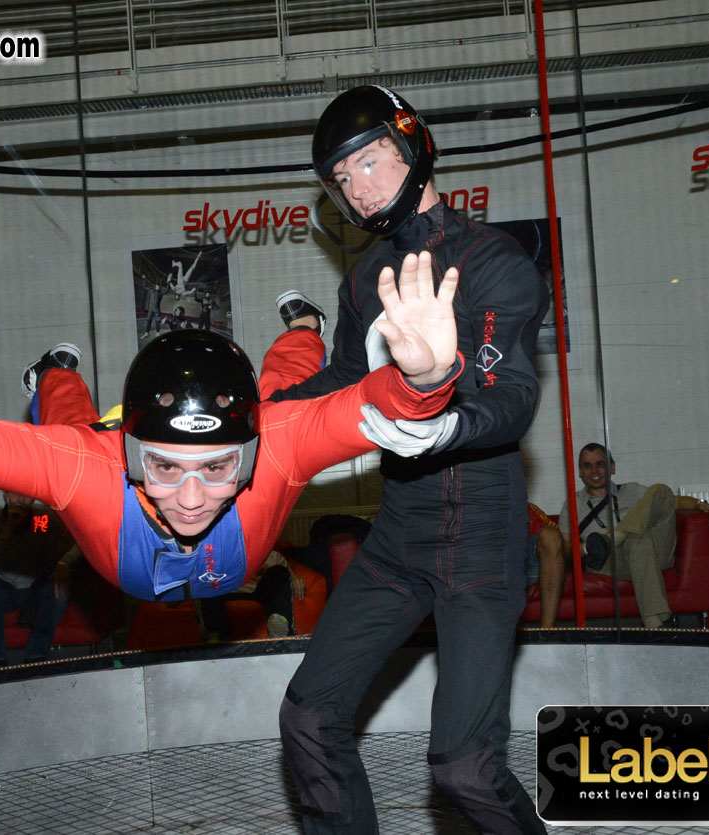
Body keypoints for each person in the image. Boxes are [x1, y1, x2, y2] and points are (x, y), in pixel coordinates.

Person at [0, 249, 461, 603]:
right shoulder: (97, 462)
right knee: (71, 428)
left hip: (171, 519)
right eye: (163, 466)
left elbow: (373, 410)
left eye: (216, 468)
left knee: (278, 400)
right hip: (128, 492)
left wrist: (424, 379)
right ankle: (52, 372)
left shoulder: (273, 442)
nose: (189, 500)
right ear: (130, 451)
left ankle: (303, 331)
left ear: (244, 456)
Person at [269, 85, 551, 833]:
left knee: (461, 766)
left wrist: (442, 426)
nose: (357, 187)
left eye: (368, 161)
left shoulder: (491, 260)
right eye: (340, 178)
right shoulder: (363, 277)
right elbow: (340, 382)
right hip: (398, 533)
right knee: (306, 716)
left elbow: (512, 392)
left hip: (482, 536)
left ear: (413, 145)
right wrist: (250, 413)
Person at [557, 443, 709, 628]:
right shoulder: (573, 504)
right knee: (638, 539)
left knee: (661, 490)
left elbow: (672, 501)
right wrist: (586, 549)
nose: (594, 470)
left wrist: (700, 503)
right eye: (587, 465)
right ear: (580, 471)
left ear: (612, 467)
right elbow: (563, 546)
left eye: (600, 464)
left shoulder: (632, 491)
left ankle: (615, 537)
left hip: (654, 554)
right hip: (610, 561)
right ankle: (654, 623)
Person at [0, 491, 84, 666]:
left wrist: (64, 563)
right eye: (13, 495)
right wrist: (9, 531)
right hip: (6, 588)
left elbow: (80, 538)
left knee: (59, 591)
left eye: (24, 495)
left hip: (37, 586)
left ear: (32, 497)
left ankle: (36, 656)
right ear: (5, 496)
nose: (19, 500)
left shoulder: (40, 520)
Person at [525, 502, 565, 628]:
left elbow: (560, 540)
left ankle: (547, 633)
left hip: (525, 565)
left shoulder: (524, 507)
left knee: (551, 537)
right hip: (489, 565)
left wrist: (583, 549)